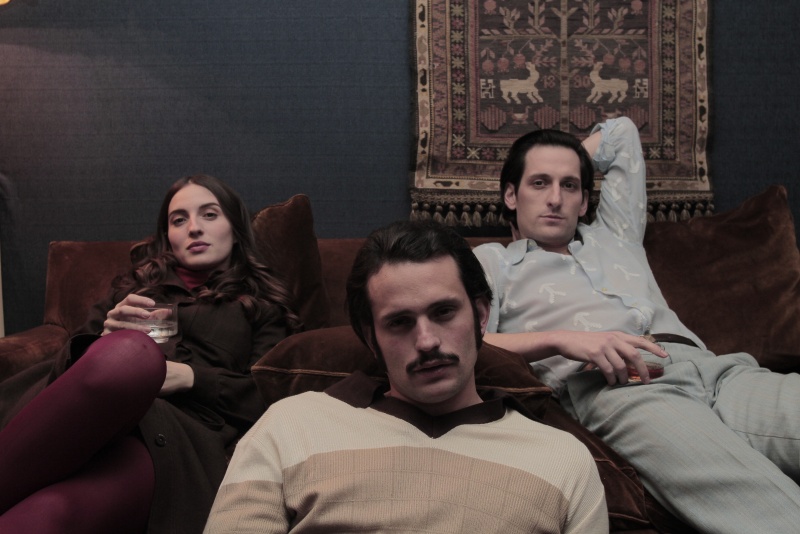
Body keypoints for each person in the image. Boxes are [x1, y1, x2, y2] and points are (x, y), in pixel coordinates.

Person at [473, 116, 800, 533]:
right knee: (759, 501)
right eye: (539, 183)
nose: (555, 198)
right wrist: (563, 340)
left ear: (584, 202)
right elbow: (466, 342)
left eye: (569, 186)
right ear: (510, 195)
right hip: (620, 387)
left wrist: (568, 157)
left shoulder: (616, 234)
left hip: (717, 371)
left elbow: (623, 133)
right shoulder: (493, 262)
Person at [204, 220, 608, 534]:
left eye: (444, 312)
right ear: (371, 338)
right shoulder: (289, 426)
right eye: (399, 322)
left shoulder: (563, 460)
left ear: (481, 316)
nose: (427, 341)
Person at [0, 174, 301, 533]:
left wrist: (191, 378)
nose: (193, 228)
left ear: (235, 229)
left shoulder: (263, 306)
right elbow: (68, 373)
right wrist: (102, 343)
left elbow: (270, 396)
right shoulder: (132, 291)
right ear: (167, 236)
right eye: (179, 219)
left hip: (176, 433)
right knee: (129, 351)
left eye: (209, 214)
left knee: (49, 513)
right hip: (95, 412)